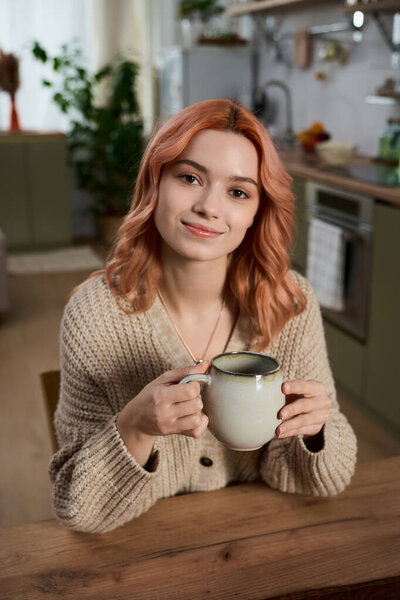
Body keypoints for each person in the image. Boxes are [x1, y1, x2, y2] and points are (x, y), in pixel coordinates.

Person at [50, 99, 357, 533]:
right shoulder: (95, 315)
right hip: (142, 556)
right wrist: (135, 427)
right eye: (190, 177)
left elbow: (328, 481)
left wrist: (315, 430)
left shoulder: (290, 302)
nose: (209, 207)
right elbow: (77, 507)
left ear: (256, 212)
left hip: (261, 541)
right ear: (156, 183)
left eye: (238, 191)